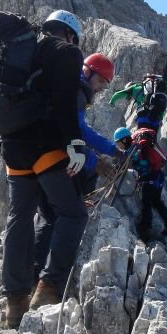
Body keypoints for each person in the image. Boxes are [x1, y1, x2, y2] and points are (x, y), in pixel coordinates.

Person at [0, 9, 88, 328]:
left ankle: (15, 303)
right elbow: (65, 100)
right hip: (44, 144)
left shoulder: (20, 49)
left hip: (12, 146)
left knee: (19, 216)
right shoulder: (66, 51)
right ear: (70, 34)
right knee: (73, 213)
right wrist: (75, 143)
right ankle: (48, 289)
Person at [33, 53, 119, 283]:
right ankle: (48, 284)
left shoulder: (71, 88)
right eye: (100, 81)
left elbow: (83, 131)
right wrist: (96, 161)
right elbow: (77, 133)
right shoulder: (76, 91)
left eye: (105, 84)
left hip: (35, 155)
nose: (101, 88)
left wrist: (111, 150)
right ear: (88, 72)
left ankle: (31, 276)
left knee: (47, 215)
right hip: (51, 157)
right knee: (69, 215)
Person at [116, 127, 167, 242]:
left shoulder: (134, 149)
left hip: (150, 179)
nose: (119, 147)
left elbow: (132, 162)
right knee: (157, 202)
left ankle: (145, 232)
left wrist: (120, 166)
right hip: (158, 177)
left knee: (146, 205)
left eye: (119, 143)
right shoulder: (137, 146)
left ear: (124, 140)